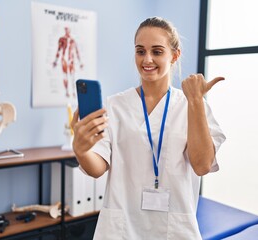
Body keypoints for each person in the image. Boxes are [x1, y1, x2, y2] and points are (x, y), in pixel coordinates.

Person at [71, 16, 226, 240]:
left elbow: (202, 165)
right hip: (121, 228)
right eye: (140, 51)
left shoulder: (191, 104)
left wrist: (196, 103)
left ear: (175, 55)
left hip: (174, 228)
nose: (147, 59)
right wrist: (81, 149)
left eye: (157, 51)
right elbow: (97, 169)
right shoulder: (116, 105)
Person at [53, 27, 84, 98]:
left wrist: (80, 63)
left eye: (68, 30)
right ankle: (67, 91)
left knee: (73, 77)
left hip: (71, 60)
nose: (67, 31)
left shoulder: (73, 40)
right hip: (64, 60)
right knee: (65, 76)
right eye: (66, 30)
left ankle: (73, 92)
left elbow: (77, 52)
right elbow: (58, 50)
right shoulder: (62, 39)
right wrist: (55, 61)